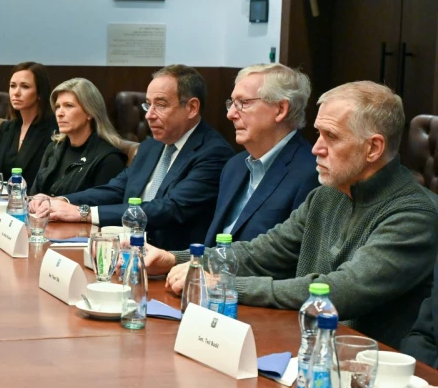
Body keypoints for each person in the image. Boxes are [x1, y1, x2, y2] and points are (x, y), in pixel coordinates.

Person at [160, 81, 438, 348]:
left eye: (332, 136)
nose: (316, 147)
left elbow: (339, 291)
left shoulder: (415, 214)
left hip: (366, 369)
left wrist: (226, 285)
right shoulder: (327, 194)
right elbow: (263, 252)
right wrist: (182, 260)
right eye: (318, 133)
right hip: (306, 345)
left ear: (373, 148)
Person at [34, 65, 233, 252]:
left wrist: (84, 213)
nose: (149, 115)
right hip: (127, 247)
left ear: (192, 108)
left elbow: (171, 208)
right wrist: (62, 200)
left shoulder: (213, 153)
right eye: (148, 105)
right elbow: (117, 188)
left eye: (161, 105)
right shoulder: (151, 145)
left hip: (171, 259)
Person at [143, 63, 319, 273]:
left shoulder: (311, 174)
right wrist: (175, 260)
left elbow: (289, 265)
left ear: (280, 109)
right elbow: (215, 247)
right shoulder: (234, 167)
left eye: (243, 103)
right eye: (232, 103)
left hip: (252, 298)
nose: (231, 114)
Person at [29, 77, 125, 196]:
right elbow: (33, 195)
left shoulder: (108, 159)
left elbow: (100, 208)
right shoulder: (53, 148)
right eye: (58, 106)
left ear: (89, 112)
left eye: (68, 106)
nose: (59, 113)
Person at [0, 62, 56, 186]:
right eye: (13, 86)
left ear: (40, 93)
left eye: (25, 86)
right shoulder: (7, 128)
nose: (16, 92)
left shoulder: (53, 130)